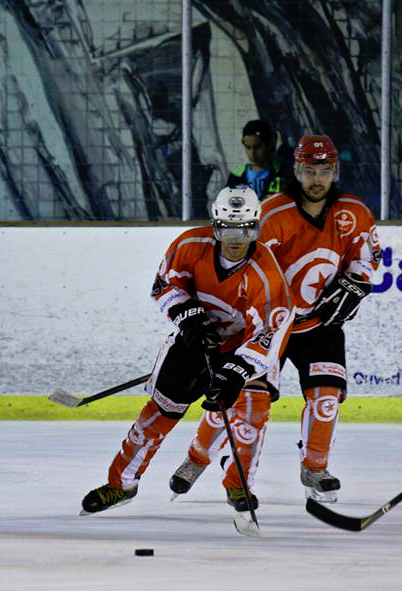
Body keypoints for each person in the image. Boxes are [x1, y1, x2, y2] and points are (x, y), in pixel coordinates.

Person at [170, 134, 381, 504]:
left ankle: (315, 466)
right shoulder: (272, 213)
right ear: (297, 170)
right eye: (309, 170)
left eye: (324, 171)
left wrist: (356, 282)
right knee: (237, 397)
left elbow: (366, 258)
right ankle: (198, 457)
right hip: (269, 326)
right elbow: (243, 266)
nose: (317, 179)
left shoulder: (355, 213)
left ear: (335, 171)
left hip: (320, 325)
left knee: (326, 398)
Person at [80, 187, 293, 518]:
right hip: (194, 342)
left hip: (243, 349)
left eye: (244, 230)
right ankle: (121, 484)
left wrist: (236, 373)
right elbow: (164, 284)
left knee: (252, 411)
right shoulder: (190, 244)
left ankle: (238, 483)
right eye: (227, 229)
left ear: (255, 228)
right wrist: (188, 316)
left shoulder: (266, 274)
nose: (235, 240)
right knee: (158, 414)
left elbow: (269, 333)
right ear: (215, 225)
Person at [227, 120, 292, 199]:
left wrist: (282, 149)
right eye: (248, 147)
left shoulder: (283, 172)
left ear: (269, 144)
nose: (252, 153)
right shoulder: (237, 176)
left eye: (257, 147)